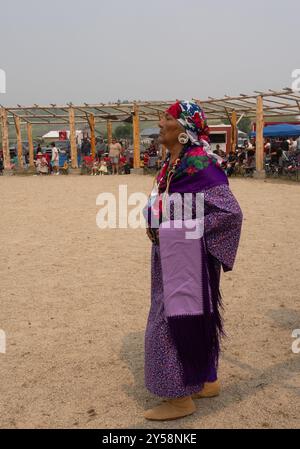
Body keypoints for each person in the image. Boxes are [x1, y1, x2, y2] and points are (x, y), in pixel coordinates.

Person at [143, 101, 243, 421]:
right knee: (196, 315)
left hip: (186, 256)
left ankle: (179, 398)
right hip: (174, 254)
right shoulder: (175, 163)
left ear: (184, 129)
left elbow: (230, 213)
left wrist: (181, 231)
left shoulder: (200, 165)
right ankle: (206, 380)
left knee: (172, 319)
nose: (160, 122)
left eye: (167, 118)